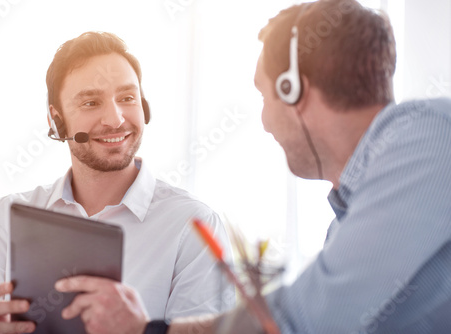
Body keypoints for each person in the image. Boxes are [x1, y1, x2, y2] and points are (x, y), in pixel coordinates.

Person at [66, 0, 451, 333]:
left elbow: (304, 319)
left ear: (293, 89)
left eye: (264, 95)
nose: (265, 122)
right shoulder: (346, 223)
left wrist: (148, 330)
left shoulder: (430, 134)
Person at [0, 32, 235, 334]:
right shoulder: (5, 217)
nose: (115, 120)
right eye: (90, 102)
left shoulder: (196, 226)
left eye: (127, 98)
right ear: (56, 121)